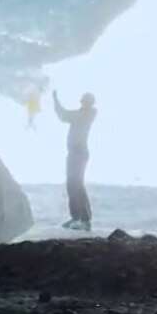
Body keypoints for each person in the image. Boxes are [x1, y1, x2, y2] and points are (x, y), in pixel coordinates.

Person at [53, 90, 98, 231]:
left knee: (77, 184)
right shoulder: (82, 113)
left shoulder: (87, 114)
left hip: (79, 152)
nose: (83, 103)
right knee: (72, 184)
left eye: (85, 101)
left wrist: (55, 100)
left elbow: (64, 115)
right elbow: (65, 116)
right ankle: (76, 217)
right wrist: (56, 102)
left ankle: (84, 219)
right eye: (83, 100)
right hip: (74, 152)